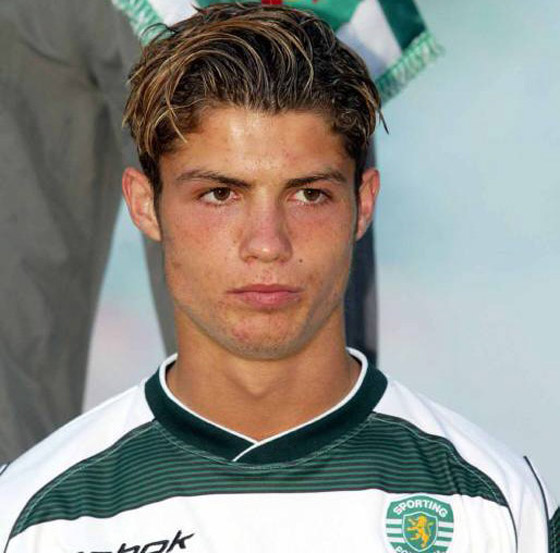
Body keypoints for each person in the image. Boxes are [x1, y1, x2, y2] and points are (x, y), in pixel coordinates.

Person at [0, 4, 557, 552]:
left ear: (363, 204)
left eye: (309, 194)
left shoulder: (502, 507)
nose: (267, 244)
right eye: (220, 194)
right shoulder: (24, 514)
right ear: (144, 206)